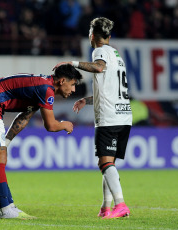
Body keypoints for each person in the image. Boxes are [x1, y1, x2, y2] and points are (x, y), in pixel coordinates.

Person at [0, 64, 82, 219]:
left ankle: (8, 207)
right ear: (62, 81)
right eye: (73, 84)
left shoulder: (42, 87)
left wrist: (7, 141)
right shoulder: (46, 90)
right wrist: (65, 124)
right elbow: (50, 125)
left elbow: (24, 117)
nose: (74, 90)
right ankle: (6, 210)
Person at [53, 17, 132, 219]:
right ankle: (106, 207)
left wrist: (72, 62)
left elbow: (98, 68)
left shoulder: (99, 51)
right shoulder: (116, 55)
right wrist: (86, 100)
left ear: (92, 36)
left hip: (109, 117)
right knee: (108, 164)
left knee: (105, 163)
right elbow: (108, 89)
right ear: (109, 35)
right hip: (123, 115)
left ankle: (121, 205)